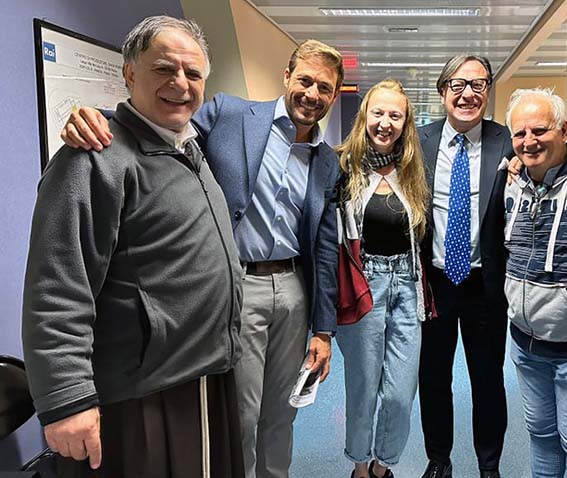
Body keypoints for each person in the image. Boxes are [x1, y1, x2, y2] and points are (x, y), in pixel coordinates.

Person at [60, 39, 344, 478]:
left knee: (282, 412)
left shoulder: (327, 162)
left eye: (324, 88)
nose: (312, 94)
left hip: (293, 291)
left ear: (335, 94)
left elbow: (325, 250)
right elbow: (162, 124)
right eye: (305, 80)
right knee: (242, 414)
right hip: (238, 287)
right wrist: (100, 119)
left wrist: (323, 330)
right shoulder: (231, 114)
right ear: (287, 76)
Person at [23, 16, 244, 477]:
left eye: (193, 73)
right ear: (129, 72)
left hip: (204, 376)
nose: (180, 83)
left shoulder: (189, 148)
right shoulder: (92, 159)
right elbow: (58, 286)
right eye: (164, 68)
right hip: (142, 394)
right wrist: (66, 399)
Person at [503, 88, 567, 478]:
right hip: (525, 344)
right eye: (520, 133)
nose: (529, 141)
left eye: (540, 130)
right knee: (541, 434)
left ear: (563, 130)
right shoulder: (513, 182)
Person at [417, 55, 512, 478]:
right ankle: (439, 459)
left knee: (488, 380)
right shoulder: (418, 141)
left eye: (478, 84)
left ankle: (489, 465)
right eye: (457, 85)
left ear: (488, 90)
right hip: (434, 284)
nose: (467, 94)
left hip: (485, 284)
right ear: (443, 92)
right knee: (433, 378)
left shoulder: (507, 141)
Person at [335, 79, 429, 478]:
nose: (385, 123)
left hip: (407, 284)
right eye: (378, 113)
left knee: (400, 394)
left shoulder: (413, 171)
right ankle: (360, 468)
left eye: (395, 115)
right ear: (365, 117)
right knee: (363, 389)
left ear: (406, 122)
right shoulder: (343, 168)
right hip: (364, 285)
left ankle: (381, 466)